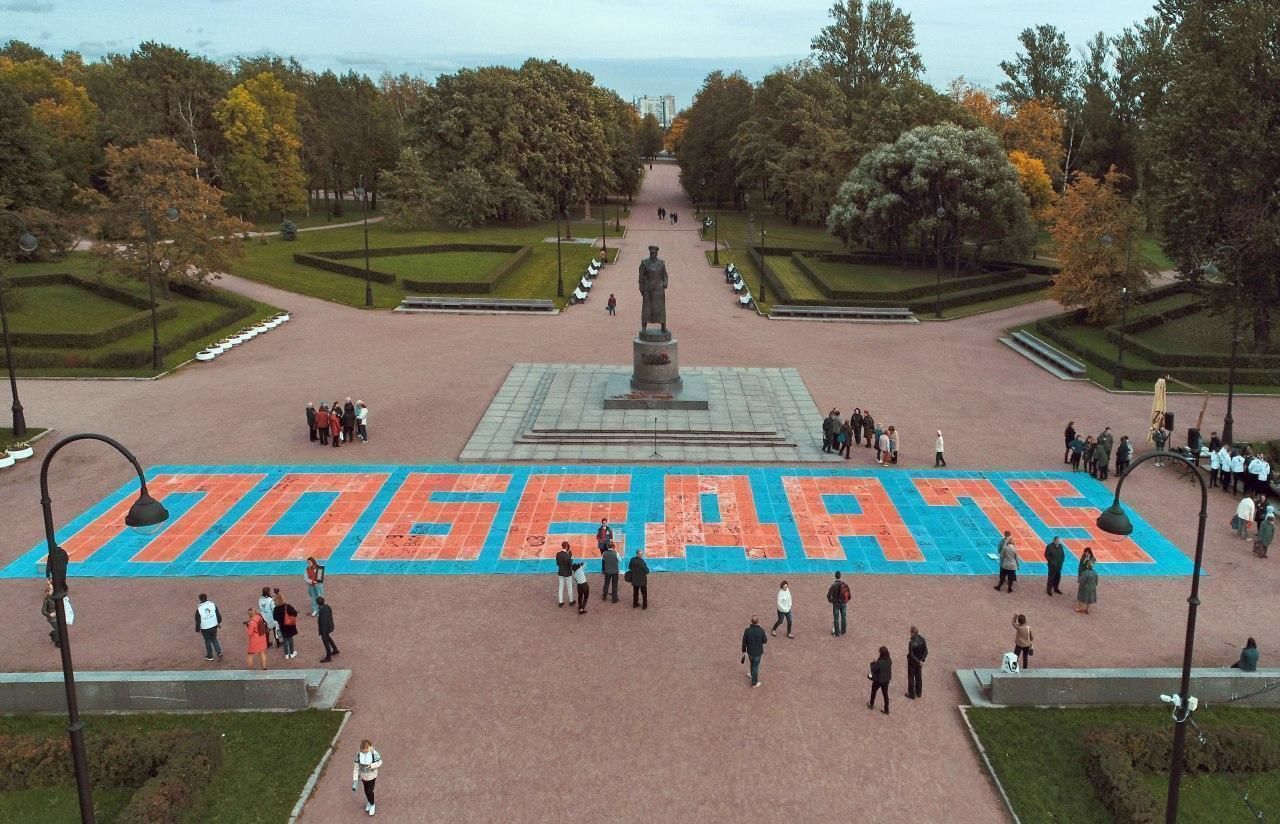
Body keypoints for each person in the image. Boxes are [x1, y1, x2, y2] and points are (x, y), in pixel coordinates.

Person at [352, 738, 383, 816]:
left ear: (369, 747)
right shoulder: (359, 755)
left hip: (372, 776)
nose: (365, 752)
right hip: (363, 776)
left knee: (370, 791)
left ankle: (372, 804)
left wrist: (372, 765)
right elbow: (356, 768)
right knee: (366, 791)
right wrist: (355, 779)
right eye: (363, 751)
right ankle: (369, 801)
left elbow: (380, 762)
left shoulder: (374, 753)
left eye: (366, 750)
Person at [741, 615, 768, 688]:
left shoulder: (747, 631)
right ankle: (754, 683)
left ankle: (752, 674)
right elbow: (765, 641)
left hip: (750, 651)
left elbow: (744, 642)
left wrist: (743, 650)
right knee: (755, 666)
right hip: (758, 652)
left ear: (751, 621)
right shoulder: (761, 631)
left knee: (752, 663)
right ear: (757, 622)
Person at [195, 593, 222, 661]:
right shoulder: (212, 604)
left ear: (200, 599)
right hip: (214, 625)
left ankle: (210, 656)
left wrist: (197, 629)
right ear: (206, 598)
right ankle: (219, 653)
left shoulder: (199, 609)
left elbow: (197, 620)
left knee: (207, 641)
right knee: (214, 639)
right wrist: (219, 622)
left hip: (205, 628)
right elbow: (217, 614)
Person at [273, 591, 299, 659]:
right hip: (290, 625)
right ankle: (292, 652)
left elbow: (274, 618)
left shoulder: (276, 609)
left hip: (282, 626)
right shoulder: (288, 607)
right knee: (290, 638)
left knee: (284, 639)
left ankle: (286, 654)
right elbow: (295, 613)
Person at [867, 646, 892, 714]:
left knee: (873, 692)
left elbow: (874, 669)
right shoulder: (889, 660)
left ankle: (871, 704)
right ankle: (886, 709)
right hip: (886, 680)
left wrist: (873, 663)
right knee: (885, 694)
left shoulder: (879, 662)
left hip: (878, 680)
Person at [905, 626, 928, 699]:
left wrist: (918, 661)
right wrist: (921, 660)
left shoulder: (912, 643)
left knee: (911, 678)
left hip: (913, 663)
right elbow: (926, 651)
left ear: (912, 633)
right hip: (920, 662)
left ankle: (911, 694)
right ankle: (919, 693)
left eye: (910, 632)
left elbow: (911, 655)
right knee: (919, 677)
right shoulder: (922, 639)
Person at [827, 571, 850, 636]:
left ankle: (837, 633)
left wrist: (831, 601)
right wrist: (845, 601)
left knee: (836, 618)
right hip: (843, 603)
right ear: (840, 576)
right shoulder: (845, 585)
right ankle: (843, 632)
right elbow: (849, 595)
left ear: (835, 576)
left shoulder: (833, 585)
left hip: (836, 604)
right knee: (843, 617)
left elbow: (829, 595)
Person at [317, 597, 339, 661]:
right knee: (328, 638)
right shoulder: (327, 606)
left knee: (325, 642)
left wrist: (322, 632)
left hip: (324, 629)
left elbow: (323, 623)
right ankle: (335, 650)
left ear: (318, 604)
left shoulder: (322, 612)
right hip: (330, 626)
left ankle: (328, 657)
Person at [555, 541, 575, 607]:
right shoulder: (568, 556)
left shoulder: (558, 554)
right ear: (566, 547)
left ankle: (561, 602)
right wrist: (570, 557)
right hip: (568, 573)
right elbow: (570, 565)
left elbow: (557, 564)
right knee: (569, 588)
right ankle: (571, 601)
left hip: (560, 572)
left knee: (561, 587)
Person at [41, 580, 59, 648]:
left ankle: (54, 635)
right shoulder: (46, 600)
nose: (53, 591)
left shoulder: (56, 597)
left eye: (53, 589)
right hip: (52, 618)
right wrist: (49, 614)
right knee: (58, 629)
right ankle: (57, 641)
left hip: (57, 615)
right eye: (51, 590)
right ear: (48, 592)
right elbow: (43, 611)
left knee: (59, 628)